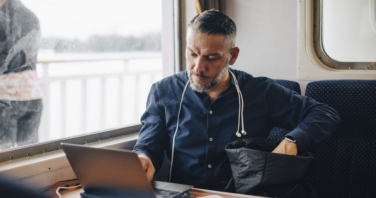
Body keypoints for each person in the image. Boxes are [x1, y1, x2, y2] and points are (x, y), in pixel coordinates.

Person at [133, 10, 340, 191]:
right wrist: (143, 158)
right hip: (186, 193)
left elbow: (325, 114)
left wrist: (292, 141)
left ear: (232, 56)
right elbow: (149, 145)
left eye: (211, 58)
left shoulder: (261, 92)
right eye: (192, 54)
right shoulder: (163, 91)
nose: (198, 67)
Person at [0, 0, 43, 150]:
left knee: (6, 160)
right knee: (28, 156)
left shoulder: (6, 17)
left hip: (6, 100)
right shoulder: (30, 16)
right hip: (31, 96)